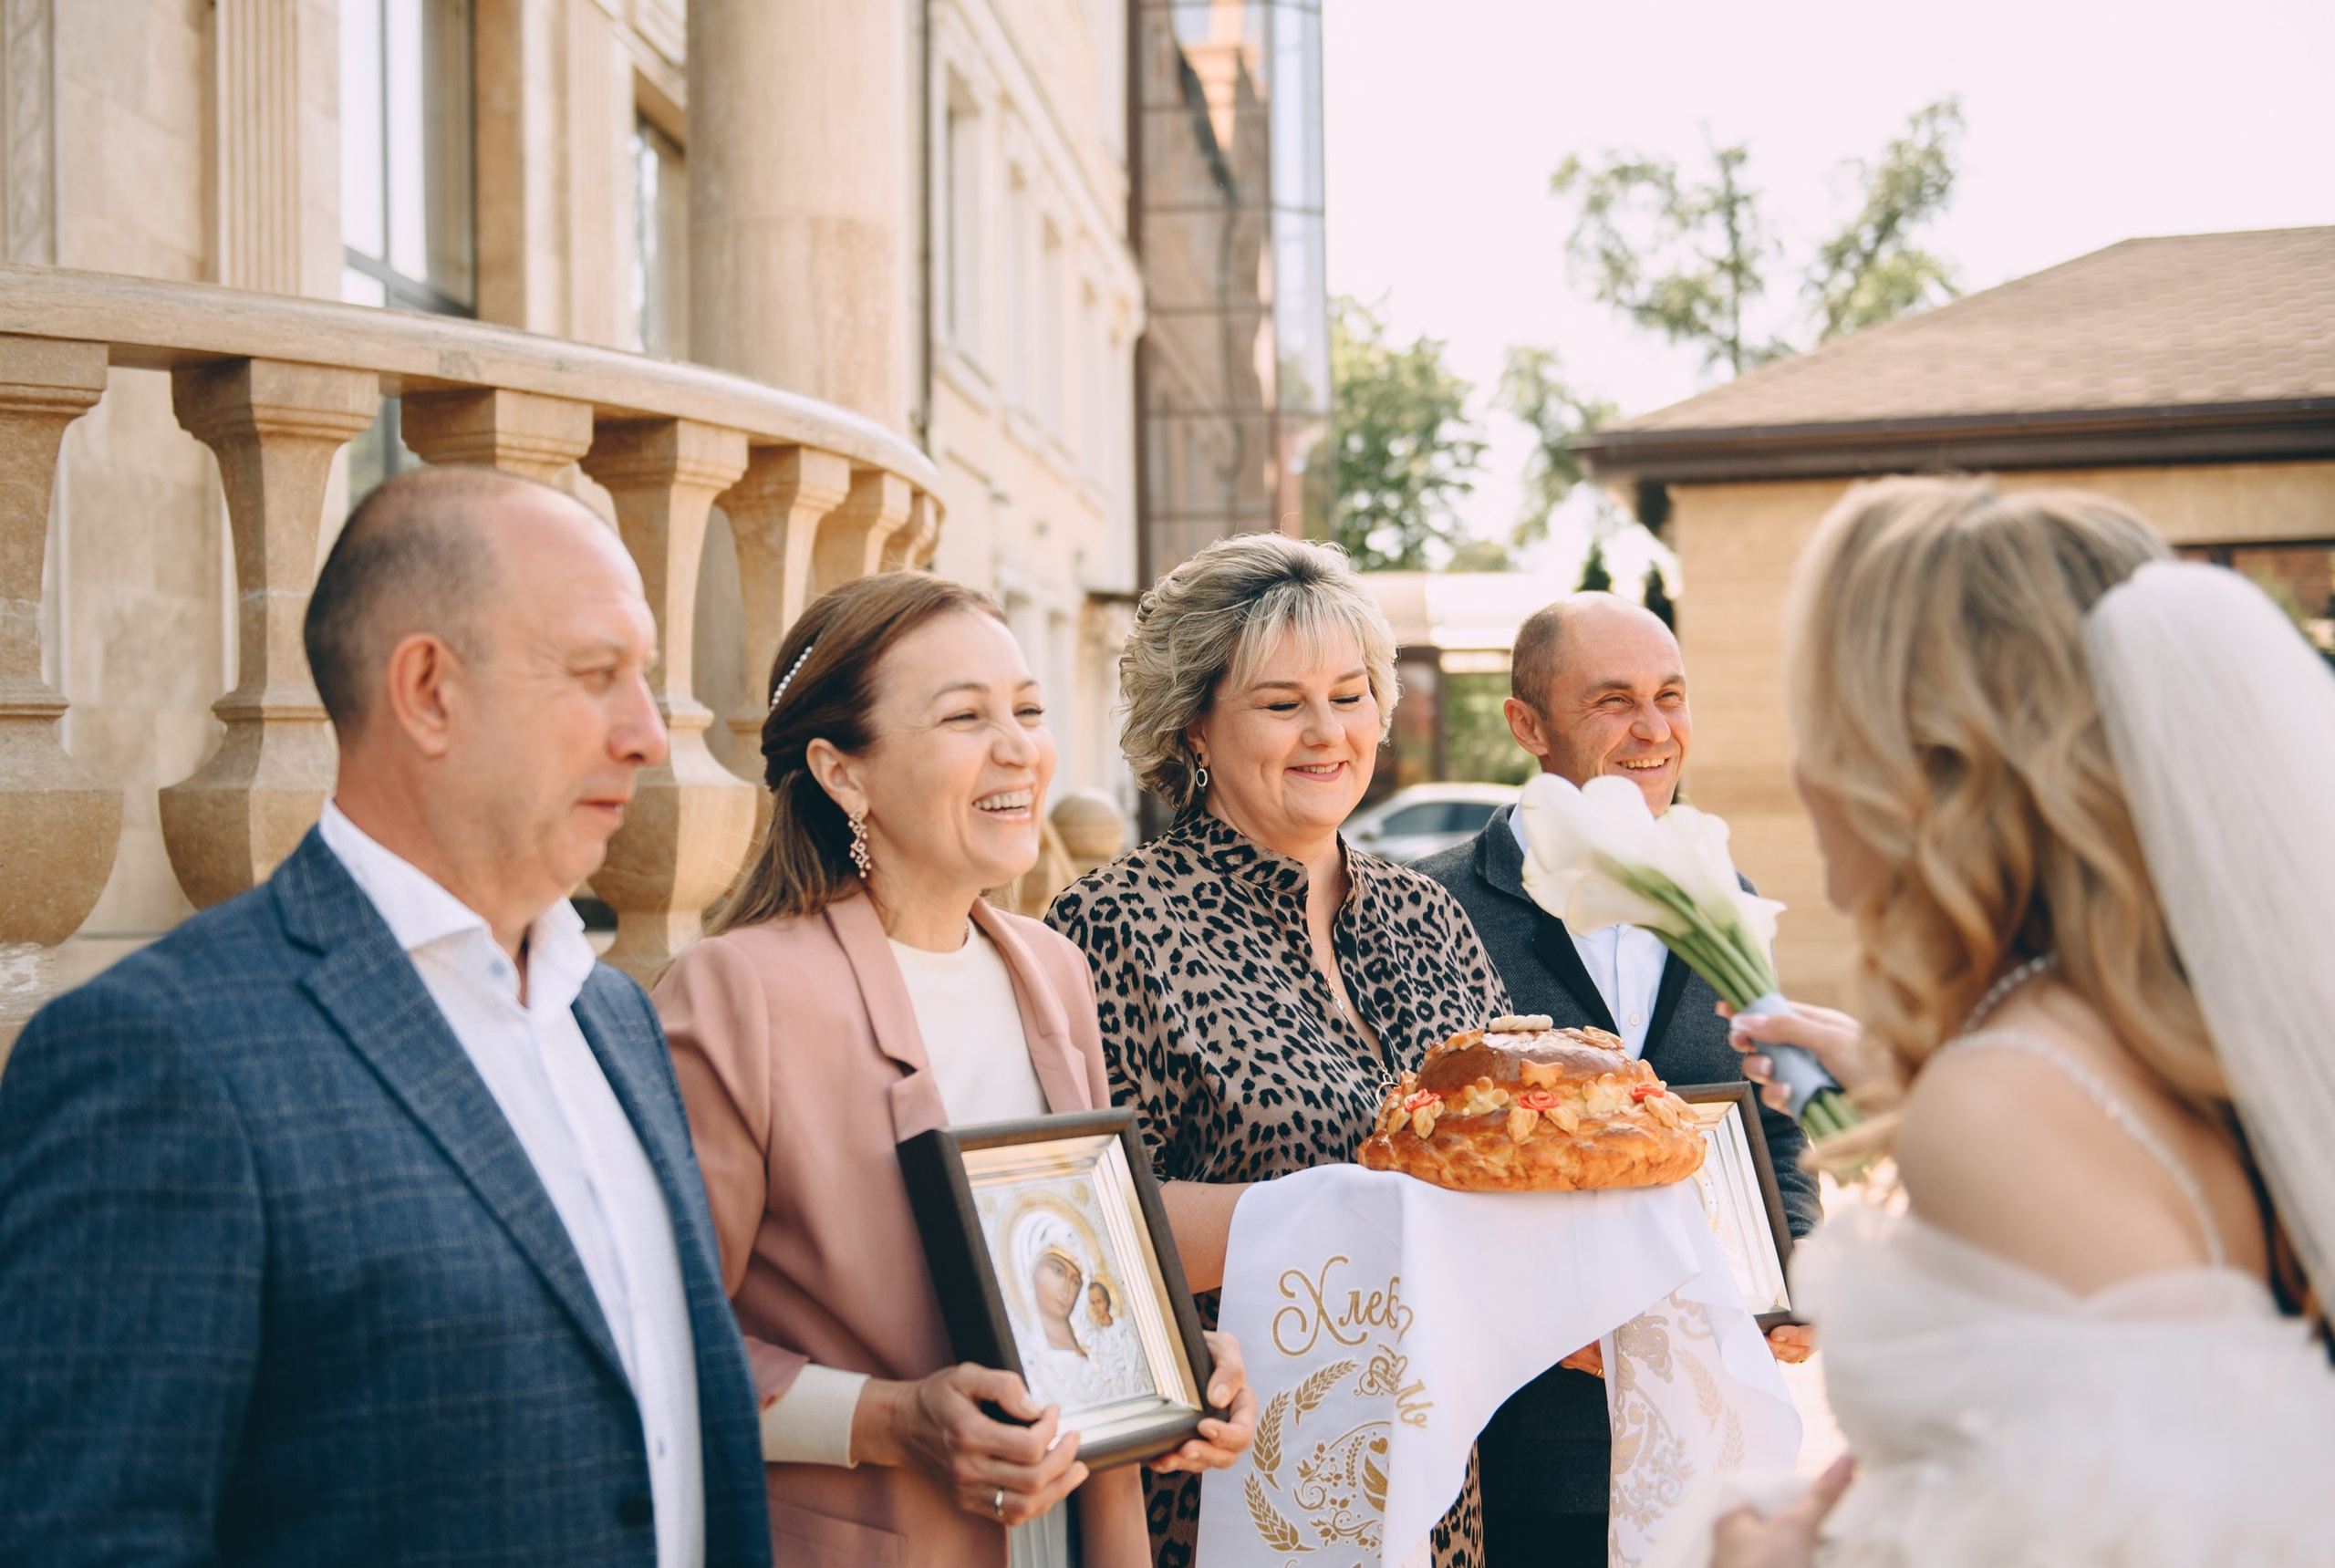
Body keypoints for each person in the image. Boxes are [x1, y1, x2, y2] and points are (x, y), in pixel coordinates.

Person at [0, 466, 772, 1567]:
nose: (649, 734)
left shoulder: (615, 1020)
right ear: (427, 690)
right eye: (598, 675)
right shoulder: (160, 1055)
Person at [1663, 477, 2335, 1566]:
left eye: (1823, 721)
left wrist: (1769, 1552)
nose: (1800, 769)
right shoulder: (2179, 1028)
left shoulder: (2004, 1100)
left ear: (1927, 763)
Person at [650, 572, 1257, 1568]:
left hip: (1072, 1535)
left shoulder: (1052, 971)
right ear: (842, 773)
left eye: (1026, 709)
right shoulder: (737, 992)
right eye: (965, 717)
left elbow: (1067, 1263)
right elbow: (664, 1345)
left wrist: (1175, 1370)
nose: (1018, 747)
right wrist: (891, 1419)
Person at [1046, 533, 1509, 1568]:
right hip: (1226, 1481)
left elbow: (1503, 1155)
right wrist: (1360, 1206)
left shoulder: (1427, 916)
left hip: (1431, 1479)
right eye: (1280, 702)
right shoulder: (1115, 924)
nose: (1326, 733)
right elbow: (1094, 1223)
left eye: (1350, 696)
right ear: (1195, 726)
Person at [1410, 591, 1821, 1566]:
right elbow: (1422, 1158)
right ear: (1527, 725)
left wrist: (1792, 1266)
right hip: (1514, 1444)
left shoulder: (1732, 901)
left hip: (1707, 1432)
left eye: (1670, 697)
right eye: (1612, 701)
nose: (1653, 730)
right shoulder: (1430, 907)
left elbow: (1776, 1125)